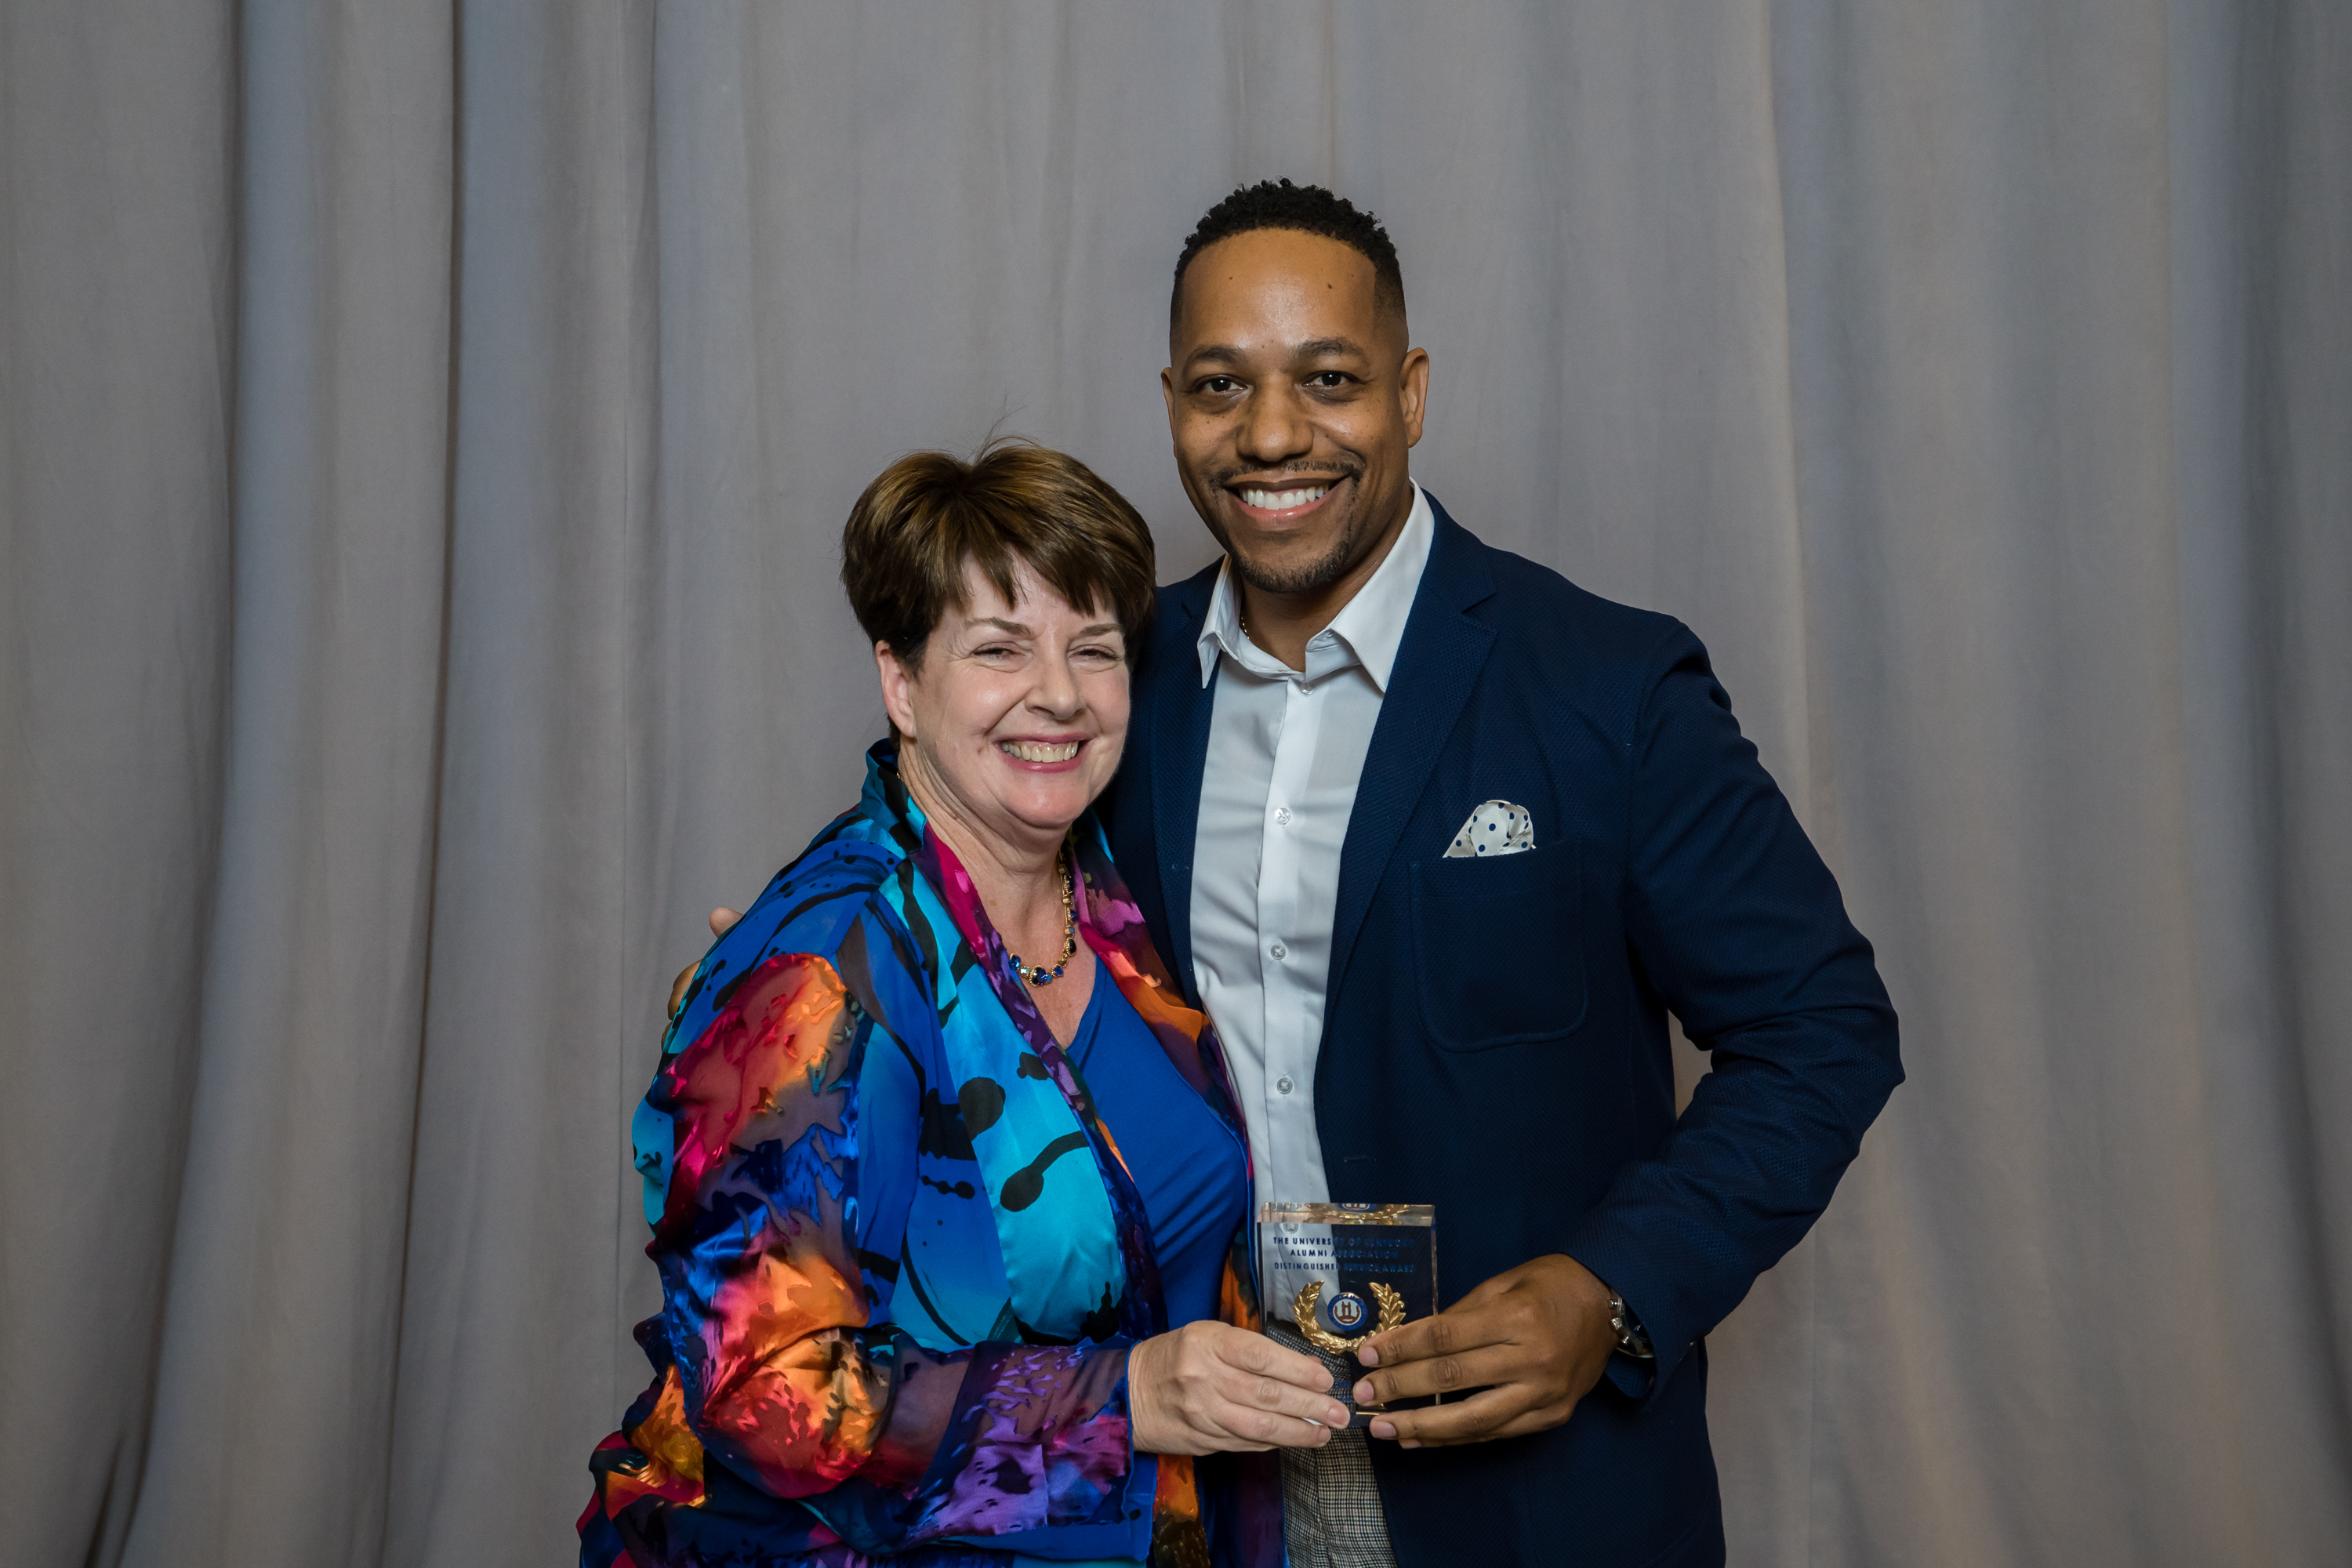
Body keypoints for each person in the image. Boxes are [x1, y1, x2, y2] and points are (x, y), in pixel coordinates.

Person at [1094, 182, 1905, 1566]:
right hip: (1212, 1482)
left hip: (1532, 1498)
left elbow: (1822, 1029)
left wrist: (1610, 1288)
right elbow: (957, 908)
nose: (1273, 434)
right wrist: (804, 978)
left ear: (1411, 394)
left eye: (1330, 379)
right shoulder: (1112, 684)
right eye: (1223, 385)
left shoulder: (1607, 686)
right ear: (1172, 403)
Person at [578, 444, 1348, 1568]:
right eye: (999, 648)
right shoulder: (822, 964)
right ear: (901, 682)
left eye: (1095, 649)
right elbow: (765, 1394)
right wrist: (1125, 1396)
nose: (1060, 694)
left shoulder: (1115, 907)